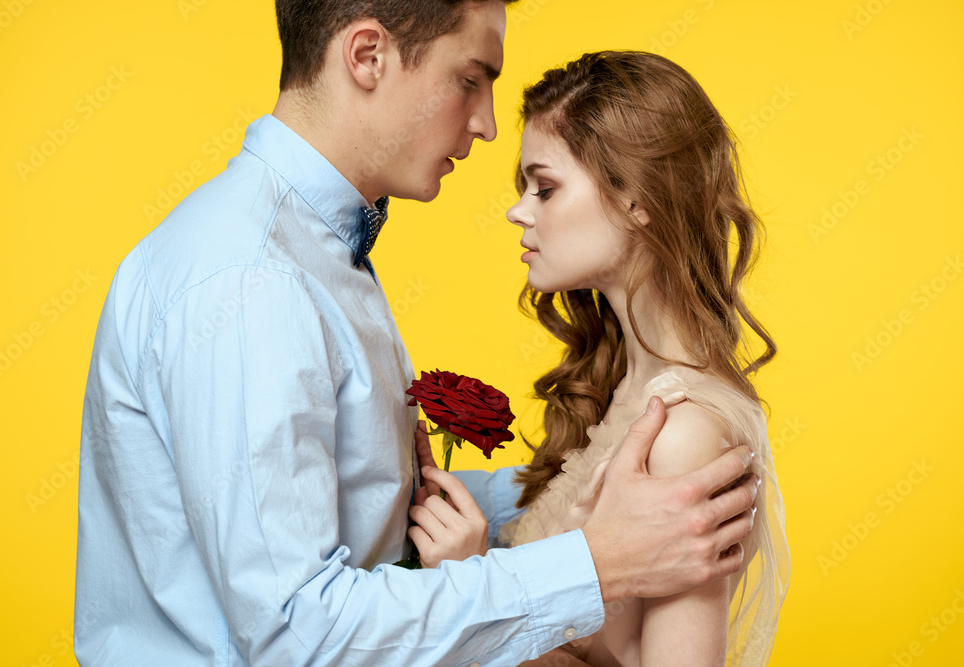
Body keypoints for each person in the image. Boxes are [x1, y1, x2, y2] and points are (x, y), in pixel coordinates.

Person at [74, 2, 761, 664]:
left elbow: (349, 515)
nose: (486, 124)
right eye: (470, 79)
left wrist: (574, 489)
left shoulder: (313, 250)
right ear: (367, 56)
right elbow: (298, 635)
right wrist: (595, 561)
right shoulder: (253, 280)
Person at [409, 51, 790, 666]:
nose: (518, 211)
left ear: (638, 199)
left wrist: (477, 595)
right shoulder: (625, 388)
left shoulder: (682, 432)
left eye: (545, 187)